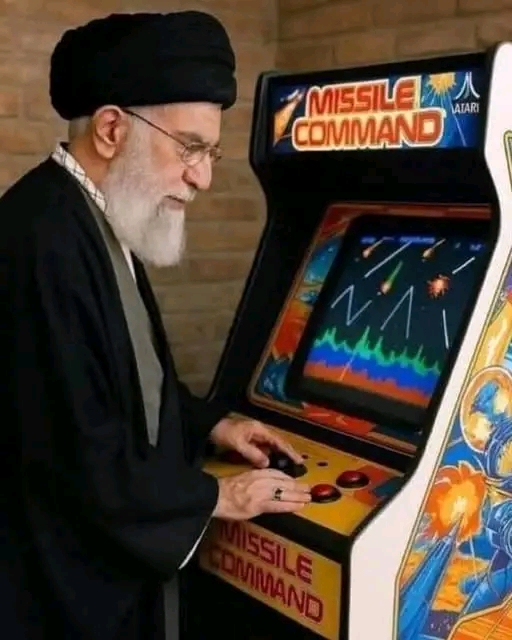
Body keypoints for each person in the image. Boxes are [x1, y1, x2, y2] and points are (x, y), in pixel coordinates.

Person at [0, 10, 311, 640]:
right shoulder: (42, 238)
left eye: (210, 152)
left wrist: (212, 424)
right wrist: (218, 497)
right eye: (189, 147)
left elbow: (125, 386)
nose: (203, 177)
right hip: (56, 596)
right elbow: (75, 451)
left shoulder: (89, 215)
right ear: (112, 129)